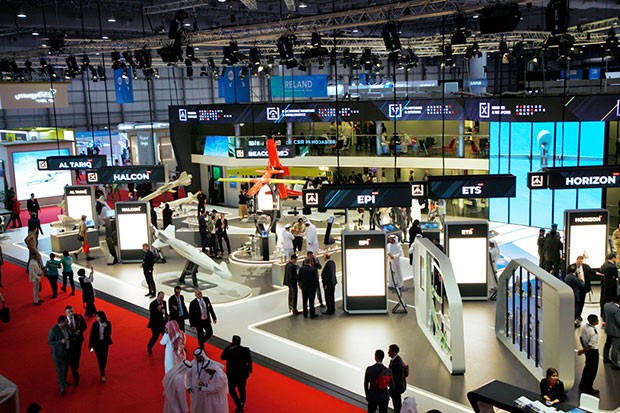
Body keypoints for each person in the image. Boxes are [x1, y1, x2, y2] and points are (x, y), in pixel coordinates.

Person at [221, 335, 253, 413]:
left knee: (231, 389)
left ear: (232, 342)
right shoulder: (246, 350)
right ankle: (241, 404)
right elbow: (249, 360)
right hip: (242, 373)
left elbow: (222, 357)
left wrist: (227, 347)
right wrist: (250, 369)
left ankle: (239, 405)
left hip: (232, 374)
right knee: (242, 389)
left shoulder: (229, 351)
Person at [566, 256, 596, 322]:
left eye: (581, 261)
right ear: (576, 260)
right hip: (576, 289)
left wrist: (598, 273)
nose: (580, 263)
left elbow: (592, 272)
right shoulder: (571, 267)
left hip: (584, 289)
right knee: (576, 303)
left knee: (581, 302)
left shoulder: (586, 266)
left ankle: (579, 315)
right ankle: (574, 316)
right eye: (579, 261)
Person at [577, 314, 600, 396]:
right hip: (593, 352)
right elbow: (591, 344)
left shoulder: (585, 327)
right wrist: (582, 351)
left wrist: (584, 349)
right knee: (592, 370)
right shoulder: (593, 332)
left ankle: (582, 384)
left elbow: (580, 338)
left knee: (587, 368)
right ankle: (588, 388)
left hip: (587, 350)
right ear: (595, 321)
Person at [48, 315, 71, 395]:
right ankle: (62, 386)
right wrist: (60, 341)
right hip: (58, 353)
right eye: (66, 321)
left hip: (67, 351)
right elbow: (49, 342)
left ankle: (64, 381)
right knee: (59, 369)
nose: (67, 323)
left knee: (65, 368)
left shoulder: (66, 327)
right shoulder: (53, 330)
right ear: (61, 322)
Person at [65, 305, 87, 386]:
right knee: (71, 359)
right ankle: (75, 373)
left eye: (72, 311)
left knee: (77, 357)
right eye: (69, 312)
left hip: (78, 341)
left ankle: (75, 368)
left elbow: (84, 326)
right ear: (66, 313)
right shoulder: (64, 321)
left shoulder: (78, 317)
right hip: (69, 343)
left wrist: (79, 331)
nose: (71, 313)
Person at [89, 310, 112, 383]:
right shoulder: (95, 324)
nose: (96, 318)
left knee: (104, 358)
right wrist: (90, 344)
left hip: (104, 343)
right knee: (99, 359)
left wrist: (106, 327)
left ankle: (102, 369)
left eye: (97, 316)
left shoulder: (108, 323)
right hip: (97, 344)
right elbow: (91, 334)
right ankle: (102, 374)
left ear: (101, 317)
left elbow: (109, 333)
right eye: (96, 316)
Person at [602, 294, 620, 369]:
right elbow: (618, 322)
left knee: (607, 344)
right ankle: (614, 363)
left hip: (608, 329)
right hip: (616, 331)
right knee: (615, 347)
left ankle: (605, 358)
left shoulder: (606, 305)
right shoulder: (617, 310)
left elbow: (604, 316)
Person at [388, 344, 407, 413]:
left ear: (394, 352)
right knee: (397, 404)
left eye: (389, 351)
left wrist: (392, 388)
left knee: (397, 405)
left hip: (396, 388)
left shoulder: (397, 363)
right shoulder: (395, 360)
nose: (388, 352)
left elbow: (396, 378)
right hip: (396, 388)